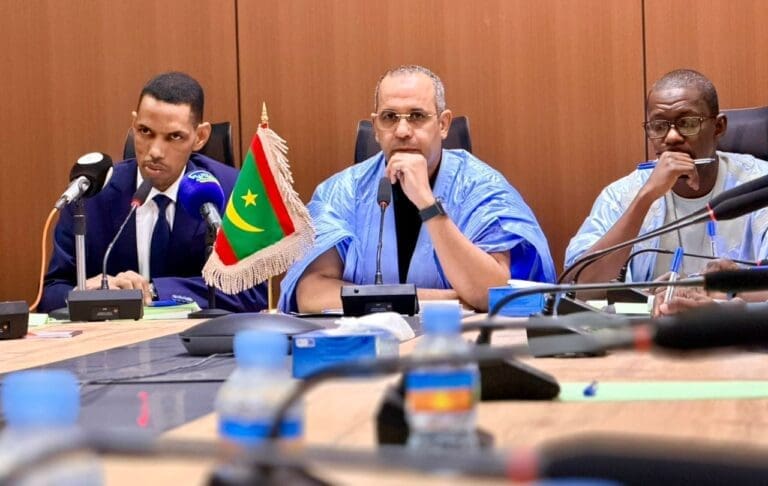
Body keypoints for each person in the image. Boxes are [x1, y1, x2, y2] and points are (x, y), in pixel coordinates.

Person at [279, 65, 555, 313]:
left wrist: (427, 203)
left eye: (417, 116)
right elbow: (312, 295)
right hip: (369, 345)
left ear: (443, 125)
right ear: (375, 127)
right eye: (389, 117)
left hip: (457, 342)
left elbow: (490, 294)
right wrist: (447, 299)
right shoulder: (343, 192)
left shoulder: (482, 188)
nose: (402, 130)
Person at [39, 72, 267, 313]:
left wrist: (153, 290)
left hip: (200, 335)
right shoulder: (92, 194)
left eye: (174, 137)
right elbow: (52, 292)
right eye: (145, 131)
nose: (155, 151)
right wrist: (83, 292)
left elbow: (253, 291)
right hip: (114, 335)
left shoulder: (231, 191)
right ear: (133, 125)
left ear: (200, 137)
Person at [566, 69, 768, 285]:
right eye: (659, 126)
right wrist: (645, 199)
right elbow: (576, 285)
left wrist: (731, 288)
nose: (671, 137)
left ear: (718, 127)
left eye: (687, 123)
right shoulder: (621, 195)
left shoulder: (760, 187)